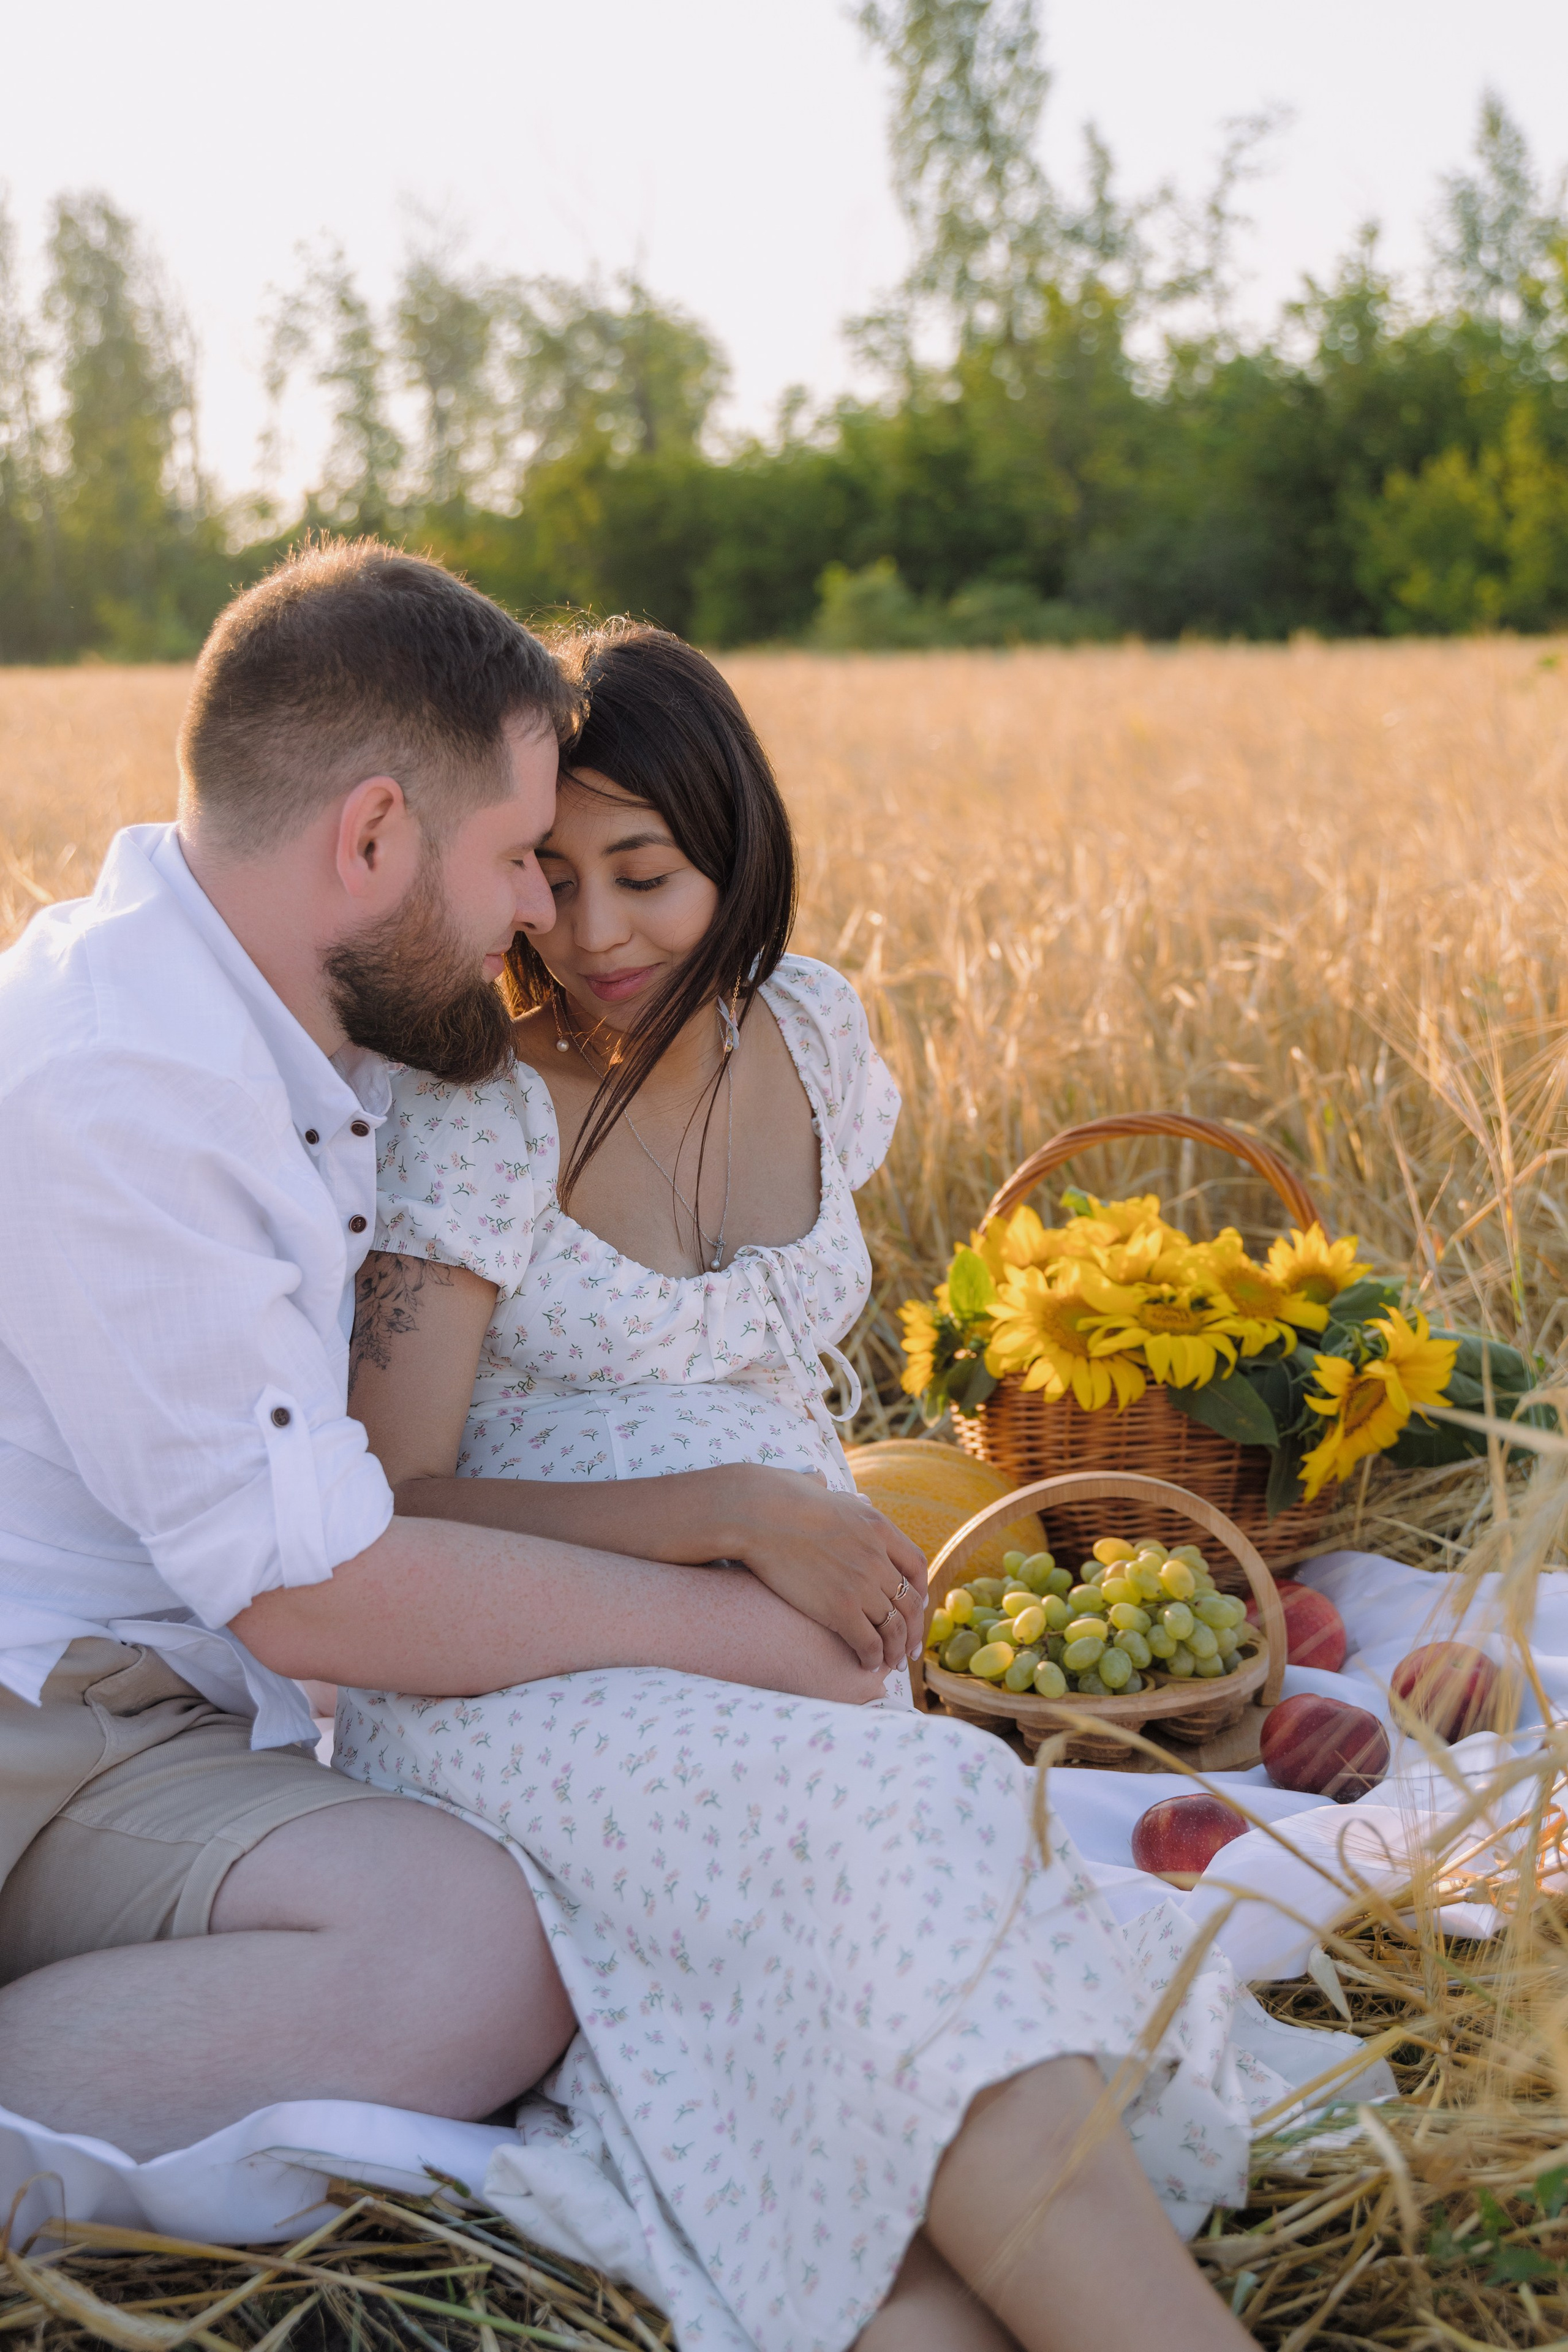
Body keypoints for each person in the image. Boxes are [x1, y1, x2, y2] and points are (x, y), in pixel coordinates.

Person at [336, 625, 1260, 2352]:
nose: (596, 934)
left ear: (736, 856)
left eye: (648, 874)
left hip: (775, 1658)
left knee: (892, 1885)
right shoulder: (480, 1107)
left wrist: (797, 1523)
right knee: (916, 1815)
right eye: (551, 873)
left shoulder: (816, 1034)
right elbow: (385, 1496)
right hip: (526, 1679)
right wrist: (736, 1511)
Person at [0, 543, 911, 2173]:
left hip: (180, 1714)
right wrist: (736, 1617)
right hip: (42, 1738)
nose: (536, 923)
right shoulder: (128, 1088)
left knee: (520, 1921)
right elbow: (317, 1586)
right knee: (473, 1964)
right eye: (515, 859)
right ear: (371, 837)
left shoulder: (270, 1017)